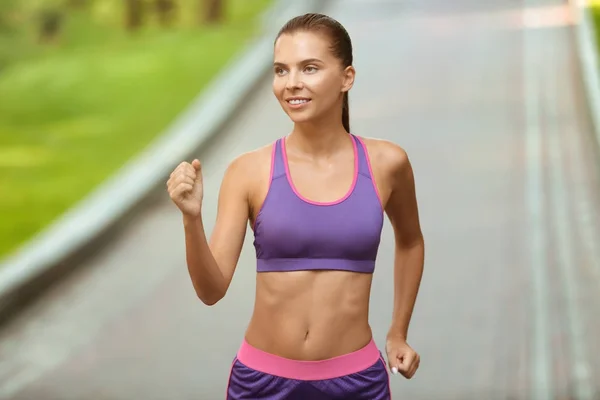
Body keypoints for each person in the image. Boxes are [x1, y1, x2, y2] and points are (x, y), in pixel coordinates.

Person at [166, 12, 425, 400]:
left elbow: (410, 241)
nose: (292, 84)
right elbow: (211, 289)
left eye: (310, 68)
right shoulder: (248, 171)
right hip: (261, 382)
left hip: (357, 382)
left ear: (346, 78)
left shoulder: (387, 163)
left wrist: (398, 332)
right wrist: (191, 219)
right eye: (281, 70)